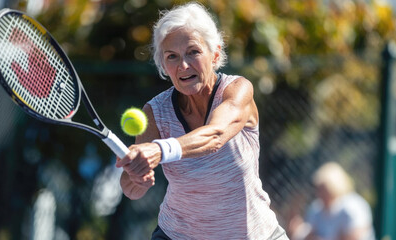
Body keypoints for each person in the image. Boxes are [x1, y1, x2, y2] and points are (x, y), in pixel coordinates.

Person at [115, 2, 287, 239]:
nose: (183, 65)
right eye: (172, 56)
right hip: (176, 234)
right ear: (163, 65)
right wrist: (136, 180)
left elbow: (215, 135)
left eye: (193, 52)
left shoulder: (237, 90)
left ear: (215, 54)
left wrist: (159, 149)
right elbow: (131, 188)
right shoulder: (154, 112)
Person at [289, 162, 375, 240]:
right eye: (318, 189)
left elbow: (356, 236)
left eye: (323, 189)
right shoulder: (316, 208)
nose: (319, 194)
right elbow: (308, 235)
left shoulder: (353, 206)